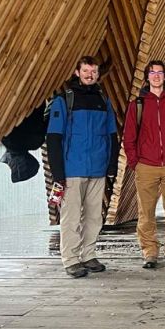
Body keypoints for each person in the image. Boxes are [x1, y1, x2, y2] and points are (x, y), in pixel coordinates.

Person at [46, 55, 118, 277]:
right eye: (86, 71)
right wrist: (58, 173)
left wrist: (112, 166)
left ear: (98, 74)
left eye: (94, 72)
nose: (90, 75)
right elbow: (54, 138)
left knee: (95, 216)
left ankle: (88, 255)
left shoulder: (103, 100)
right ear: (77, 72)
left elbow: (112, 135)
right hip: (72, 170)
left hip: (97, 168)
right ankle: (70, 259)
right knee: (71, 217)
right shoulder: (63, 101)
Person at [123, 60, 165, 269]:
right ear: (147, 77)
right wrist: (136, 162)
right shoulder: (138, 105)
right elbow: (129, 137)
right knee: (146, 211)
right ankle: (150, 252)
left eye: (160, 72)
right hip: (146, 165)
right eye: (152, 72)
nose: (156, 76)